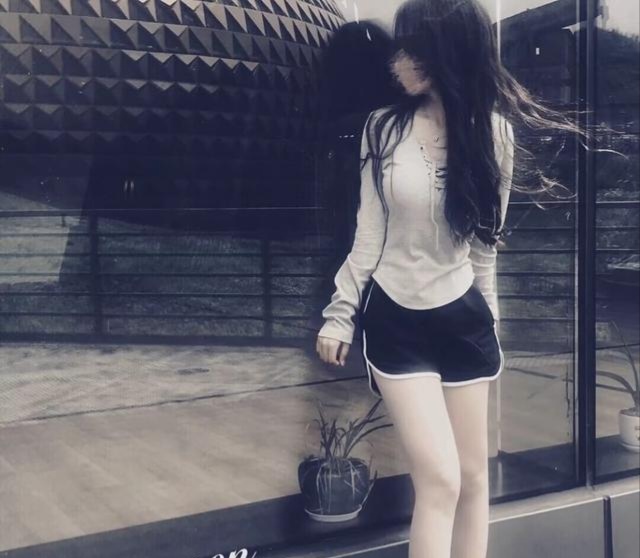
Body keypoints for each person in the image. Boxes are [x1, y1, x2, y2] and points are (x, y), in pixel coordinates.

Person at [315, 1, 587, 557]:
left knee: (474, 477)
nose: (396, 61)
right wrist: (340, 314)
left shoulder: (495, 135)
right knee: (440, 481)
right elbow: (369, 232)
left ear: (443, 53)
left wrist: (492, 327)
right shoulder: (383, 129)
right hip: (397, 320)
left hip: (463, 320)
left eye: (410, 48)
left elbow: (486, 246)